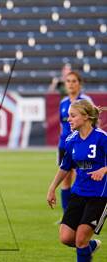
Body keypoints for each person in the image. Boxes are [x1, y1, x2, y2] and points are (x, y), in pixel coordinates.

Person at [47, 99, 106, 262]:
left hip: (99, 195)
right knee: (65, 238)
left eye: (73, 116)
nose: (68, 120)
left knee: (80, 237)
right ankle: (90, 247)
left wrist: (104, 170)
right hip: (78, 192)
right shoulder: (71, 139)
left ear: (86, 117)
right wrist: (52, 188)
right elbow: (65, 168)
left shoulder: (102, 138)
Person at [57, 71, 93, 214]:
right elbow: (62, 123)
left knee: (81, 177)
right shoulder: (63, 103)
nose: (71, 84)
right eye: (68, 81)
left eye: (74, 81)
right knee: (65, 178)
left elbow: (92, 121)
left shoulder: (85, 101)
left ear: (80, 83)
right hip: (65, 145)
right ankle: (67, 214)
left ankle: (81, 212)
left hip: (81, 145)